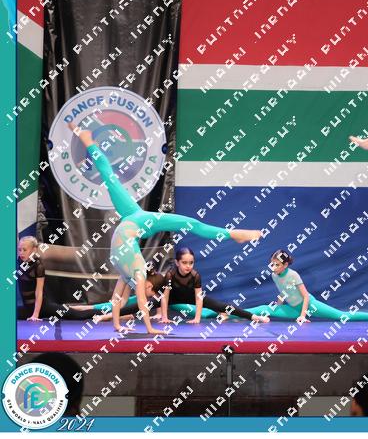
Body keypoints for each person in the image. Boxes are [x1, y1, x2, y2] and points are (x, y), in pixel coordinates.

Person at [67, 121, 264, 334]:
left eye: (152, 294)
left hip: (134, 222)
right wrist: (144, 328)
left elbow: (126, 300)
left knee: (112, 179)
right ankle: (231, 234)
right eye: (153, 292)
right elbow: (131, 300)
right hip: (132, 223)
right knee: (188, 223)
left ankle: (231, 234)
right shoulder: (135, 272)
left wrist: (135, 326)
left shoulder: (133, 270)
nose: (151, 295)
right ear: (149, 283)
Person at [17, 236, 161, 322]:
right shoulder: (20, 262)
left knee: (79, 314)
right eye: (19, 249)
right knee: (79, 308)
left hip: (42, 307)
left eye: (24, 250)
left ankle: (117, 315)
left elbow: (39, 292)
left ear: (34, 250)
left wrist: (35, 315)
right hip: (30, 308)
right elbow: (121, 300)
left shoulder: (39, 267)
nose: (21, 253)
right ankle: (118, 315)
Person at [245, 249, 368, 324]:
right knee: (264, 308)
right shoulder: (274, 275)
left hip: (310, 305)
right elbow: (284, 291)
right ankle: (231, 313)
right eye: (272, 264)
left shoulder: (293, 275)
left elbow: (305, 296)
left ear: (285, 265)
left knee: (342, 316)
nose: (273, 267)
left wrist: (303, 315)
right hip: (293, 309)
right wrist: (277, 305)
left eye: (277, 264)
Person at [157, 247, 269, 324]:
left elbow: (199, 298)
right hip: (173, 298)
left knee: (223, 306)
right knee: (149, 304)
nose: (188, 266)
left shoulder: (195, 275)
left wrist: (197, 318)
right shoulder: (170, 275)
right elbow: (165, 297)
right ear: (177, 262)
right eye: (184, 263)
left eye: (191, 263)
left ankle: (254, 317)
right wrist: (164, 317)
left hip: (192, 297)